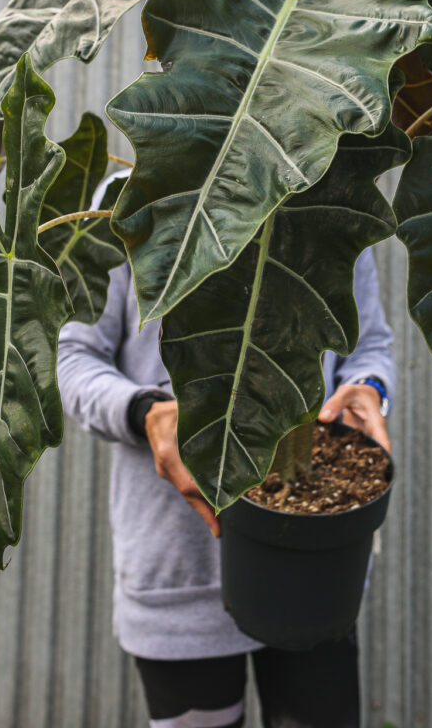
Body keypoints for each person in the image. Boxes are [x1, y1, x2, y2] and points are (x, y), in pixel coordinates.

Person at [57, 172, 395, 728]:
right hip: (178, 575)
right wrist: (145, 412)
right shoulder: (140, 190)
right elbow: (73, 357)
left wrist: (370, 390)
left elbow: (369, 344)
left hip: (313, 568)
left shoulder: (331, 187)